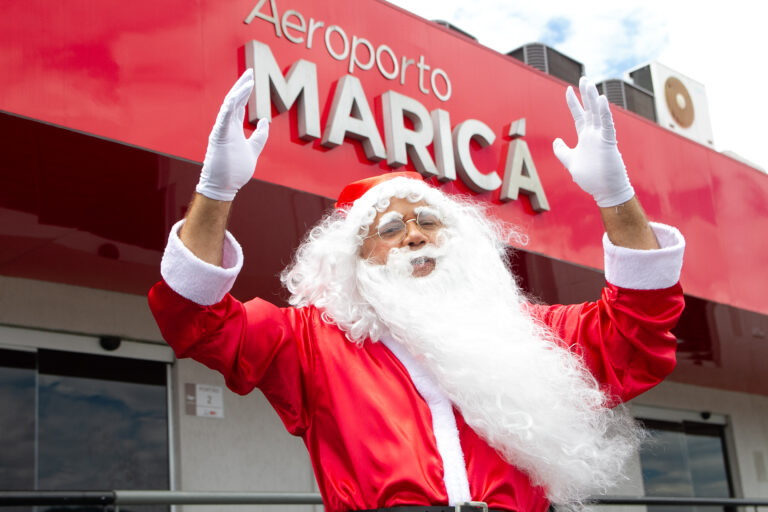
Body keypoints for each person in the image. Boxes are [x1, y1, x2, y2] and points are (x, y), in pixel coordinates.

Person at [149, 69, 685, 512]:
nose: (414, 234)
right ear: (352, 261)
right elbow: (197, 318)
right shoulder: (310, 344)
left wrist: (616, 196)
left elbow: (638, 328)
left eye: (429, 221)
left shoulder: (527, 333)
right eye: (388, 230)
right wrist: (215, 191)